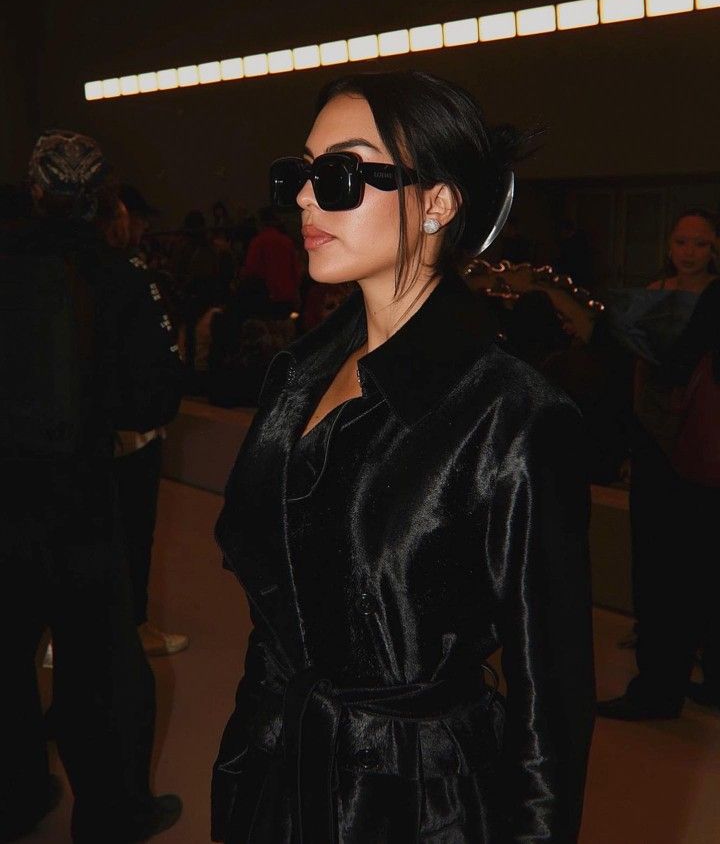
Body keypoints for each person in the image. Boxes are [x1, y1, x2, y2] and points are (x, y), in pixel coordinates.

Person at [211, 70, 595, 843]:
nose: (305, 198)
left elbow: (550, 708)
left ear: (438, 202)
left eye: (341, 173)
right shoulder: (297, 376)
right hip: (279, 782)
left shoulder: (512, 417)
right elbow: (275, 622)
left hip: (417, 808)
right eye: (300, 173)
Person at [0, 129, 182, 842]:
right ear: (103, 196)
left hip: (5, 500)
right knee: (99, 665)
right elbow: (152, 400)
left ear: (34, 191)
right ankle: (111, 813)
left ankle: (16, 797)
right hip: (81, 500)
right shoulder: (120, 276)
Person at [598, 209, 720, 721]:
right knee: (681, 564)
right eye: (682, 241)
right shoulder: (652, 291)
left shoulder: (709, 299)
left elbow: (672, 367)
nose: (689, 252)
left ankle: (659, 688)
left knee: (674, 567)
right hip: (661, 439)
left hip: (694, 443)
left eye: (700, 243)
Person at [112, 185, 189, 657]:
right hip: (130, 430)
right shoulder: (128, 273)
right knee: (132, 532)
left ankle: (70, 631)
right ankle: (133, 626)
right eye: (135, 218)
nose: (140, 228)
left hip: (92, 430)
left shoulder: (73, 271)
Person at [241, 206, 301, 318]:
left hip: (265, 296)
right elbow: (295, 270)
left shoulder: (257, 242)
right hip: (286, 294)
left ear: (260, 223)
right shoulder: (287, 241)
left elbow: (251, 270)